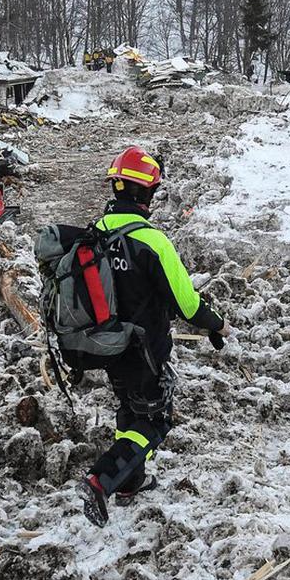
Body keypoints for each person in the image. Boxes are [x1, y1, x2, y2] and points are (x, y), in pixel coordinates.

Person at [78, 146, 230, 526]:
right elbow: (187, 304)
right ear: (147, 193)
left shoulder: (93, 232)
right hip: (143, 348)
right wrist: (217, 324)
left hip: (106, 342)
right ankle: (103, 478)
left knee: (129, 408)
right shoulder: (153, 241)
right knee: (155, 420)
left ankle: (131, 480)